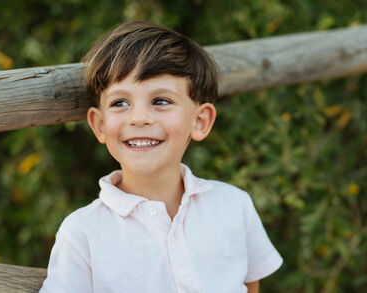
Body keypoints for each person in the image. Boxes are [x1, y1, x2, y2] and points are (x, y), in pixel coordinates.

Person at [39, 20, 282, 293]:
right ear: (100, 125)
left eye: (161, 101)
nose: (139, 118)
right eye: (120, 103)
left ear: (200, 121)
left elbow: (250, 285)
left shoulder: (234, 205)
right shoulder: (82, 233)